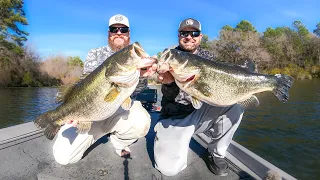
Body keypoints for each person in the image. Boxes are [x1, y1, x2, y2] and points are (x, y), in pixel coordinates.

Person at [52, 14, 155, 165]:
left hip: (120, 110)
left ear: (128, 34)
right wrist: (75, 114)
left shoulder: (135, 61)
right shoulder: (95, 54)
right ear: (109, 34)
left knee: (141, 122)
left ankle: (118, 141)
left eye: (123, 30)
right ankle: (61, 122)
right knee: (63, 158)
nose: (119, 32)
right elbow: (85, 88)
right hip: (91, 113)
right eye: (114, 29)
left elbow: (136, 90)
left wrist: (142, 76)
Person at [153, 18, 244, 176]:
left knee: (236, 105)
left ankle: (216, 153)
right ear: (179, 35)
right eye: (184, 33)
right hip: (176, 117)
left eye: (194, 33)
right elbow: (167, 93)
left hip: (201, 113)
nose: (189, 36)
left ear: (200, 37)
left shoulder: (208, 58)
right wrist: (168, 84)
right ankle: (168, 138)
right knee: (168, 169)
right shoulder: (171, 55)